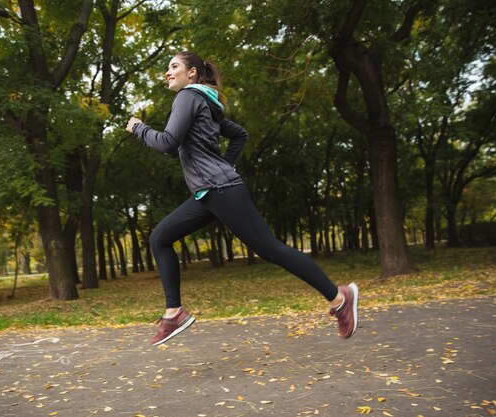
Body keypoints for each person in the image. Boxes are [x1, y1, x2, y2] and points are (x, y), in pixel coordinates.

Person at [126, 51, 359, 346]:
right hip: (208, 193)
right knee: (160, 238)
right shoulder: (207, 104)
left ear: (193, 73)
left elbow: (168, 143)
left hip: (221, 190)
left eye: (174, 67)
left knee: (271, 249)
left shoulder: (187, 97)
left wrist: (139, 128)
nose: (168, 73)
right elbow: (239, 135)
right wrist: (225, 165)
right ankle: (174, 313)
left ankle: (341, 297)